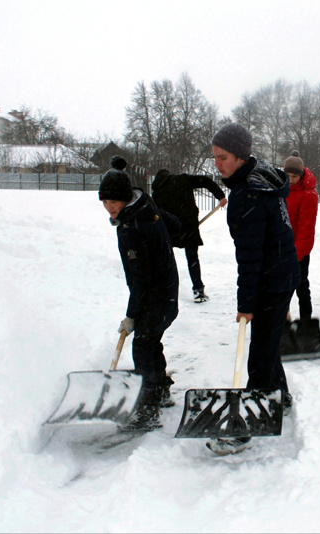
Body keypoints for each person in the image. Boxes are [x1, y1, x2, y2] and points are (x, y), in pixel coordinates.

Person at [209, 123, 300, 455]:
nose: (217, 164)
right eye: (215, 157)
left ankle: (243, 426)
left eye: (223, 157)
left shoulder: (248, 194)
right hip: (280, 273)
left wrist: (246, 302)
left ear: (240, 156)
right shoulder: (262, 183)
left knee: (260, 354)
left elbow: (249, 257)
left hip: (271, 279)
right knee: (269, 340)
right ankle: (281, 395)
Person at [99, 155, 181, 430]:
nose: (110, 208)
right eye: (105, 203)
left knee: (143, 345)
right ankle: (160, 390)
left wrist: (131, 315)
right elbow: (175, 225)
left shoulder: (131, 228)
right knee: (150, 341)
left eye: (114, 202)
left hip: (157, 294)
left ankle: (147, 409)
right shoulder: (145, 204)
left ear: (125, 198)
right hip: (167, 290)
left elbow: (140, 279)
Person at [151, 168, 227, 303]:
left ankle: (165, 291)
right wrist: (220, 195)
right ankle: (198, 291)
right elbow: (205, 181)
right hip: (188, 227)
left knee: (167, 261)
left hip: (169, 229)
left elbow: (155, 214)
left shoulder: (156, 192)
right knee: (192, 259)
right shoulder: (182, 179)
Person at [282, 150, 318, 321]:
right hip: (281, 248)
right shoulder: (281, 191)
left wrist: (296, 254)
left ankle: (306, 322)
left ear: (301, 175)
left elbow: (307, 229)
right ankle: (282, 320)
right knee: (281, 287)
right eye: (287, 175)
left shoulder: (308, 195)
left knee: (301, 286)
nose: (290, 180)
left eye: (294, 176)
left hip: (298, 251)